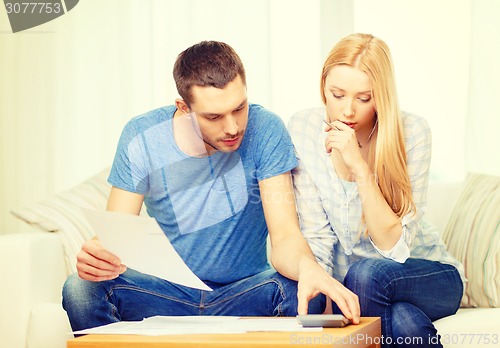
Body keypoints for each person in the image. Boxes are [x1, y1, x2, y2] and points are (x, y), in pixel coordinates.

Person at [62, 40, 360, 331]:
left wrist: (309, 267)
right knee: (81, 289)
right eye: (214, 117)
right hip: (165, 294)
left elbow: (284, 236)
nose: (232, 127)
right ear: (183, 107)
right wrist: (99, 256)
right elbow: (117, 235)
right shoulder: (142, 136)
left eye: (239, 108)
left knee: (306, 289)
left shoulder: (267, 128)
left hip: (244, 292)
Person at [288, 33, 465, 347]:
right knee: (400, 319)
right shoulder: (304, 128)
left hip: (428, 275)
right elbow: (315, 238)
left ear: (381, 96)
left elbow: (394, 246)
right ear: (323, 87)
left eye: (364, 98)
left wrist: (359, 167)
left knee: (365, 274)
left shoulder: (412, 131)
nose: (348, 111)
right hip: (365, 290)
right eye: (337, 94)